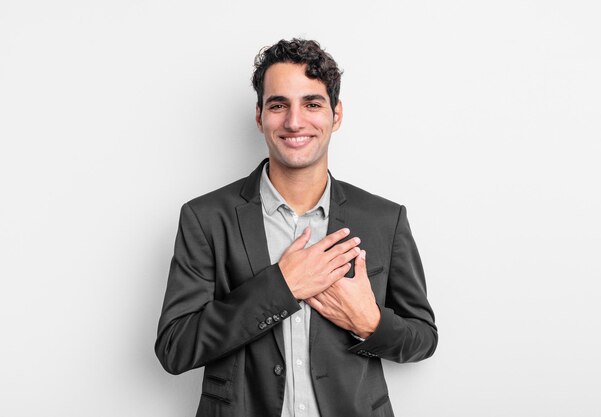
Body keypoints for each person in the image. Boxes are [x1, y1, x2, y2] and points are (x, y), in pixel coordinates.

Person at [155, 38, 437, 417]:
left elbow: (423, 338)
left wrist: (370, 322)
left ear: (336, 115)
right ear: (259, 116)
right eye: (278, 105)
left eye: (312, 103)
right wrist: (281, 288)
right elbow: (175, 347)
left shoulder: (384, 218)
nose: (294, 121)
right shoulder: (205, 217)